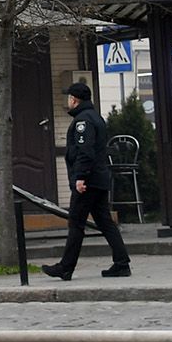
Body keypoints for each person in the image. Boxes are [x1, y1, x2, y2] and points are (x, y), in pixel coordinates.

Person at [42, 80, 131, 281]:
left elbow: (85, 152)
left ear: (74, 99)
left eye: (69, 98)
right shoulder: (95, 117)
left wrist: (80, 177)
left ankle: (65, 267)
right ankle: (121, 263)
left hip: (88, 181)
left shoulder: (83, 121)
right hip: (99, 178)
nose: (68, 101)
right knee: (105, 222)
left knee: (76, 222)